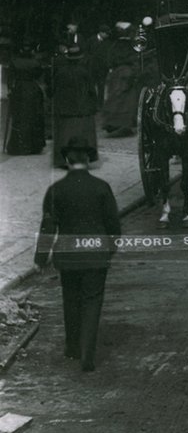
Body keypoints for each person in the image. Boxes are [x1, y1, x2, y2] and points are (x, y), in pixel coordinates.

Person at [35, 135, 122, 372]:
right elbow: (114, 225)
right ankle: (87, 352)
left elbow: (48, 226)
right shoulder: (101, 188)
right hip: (96, 254)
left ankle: (72, 347)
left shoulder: (56, 190)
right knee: (92, 301)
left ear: (66, 159)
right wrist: (109, 250)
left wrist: (41, 258)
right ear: (89, 159)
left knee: (70, 300)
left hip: (68, 256)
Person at [51, 44, 99, 168]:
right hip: (82, 109)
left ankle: (61, 159)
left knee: (64, 134)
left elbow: (53, 89)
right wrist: (94, 105)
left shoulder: (60, 73)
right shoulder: (84, 72)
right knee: (83, 133)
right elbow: (91, 91)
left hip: (65, 109)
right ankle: (83, 158)